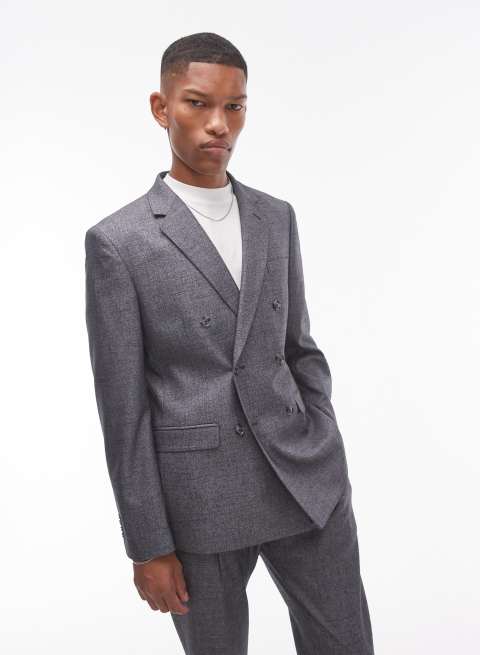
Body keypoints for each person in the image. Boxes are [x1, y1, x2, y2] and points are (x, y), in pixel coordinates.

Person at [85, 31, 374, 655]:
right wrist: (147, 542)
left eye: (234, 106)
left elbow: (299, 348)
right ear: (161, 108)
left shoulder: (276, 216)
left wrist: (323, 434)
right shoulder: (119, 241)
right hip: (198, 500)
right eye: (197, 103)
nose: (219, 124)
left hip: (305, 478)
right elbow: (123, 410)